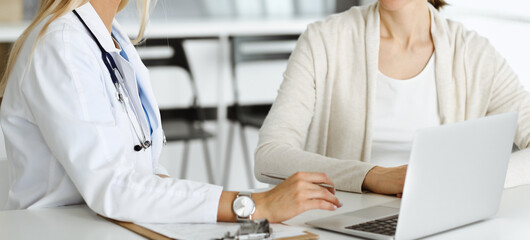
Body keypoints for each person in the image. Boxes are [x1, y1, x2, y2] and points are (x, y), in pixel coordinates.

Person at [0, 0, 342, 223]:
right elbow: (114, 187)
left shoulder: (110, 37)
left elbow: (144, 170)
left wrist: (195, 205)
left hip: (109, 224)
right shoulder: (62, 44)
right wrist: (252, 205)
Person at [255, 0, 530, 196]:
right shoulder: (324, 41)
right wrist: (371, 176)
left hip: (442, 219)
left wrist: (463, 179)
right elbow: (269, 156)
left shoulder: (474, 54)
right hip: (343, 220)